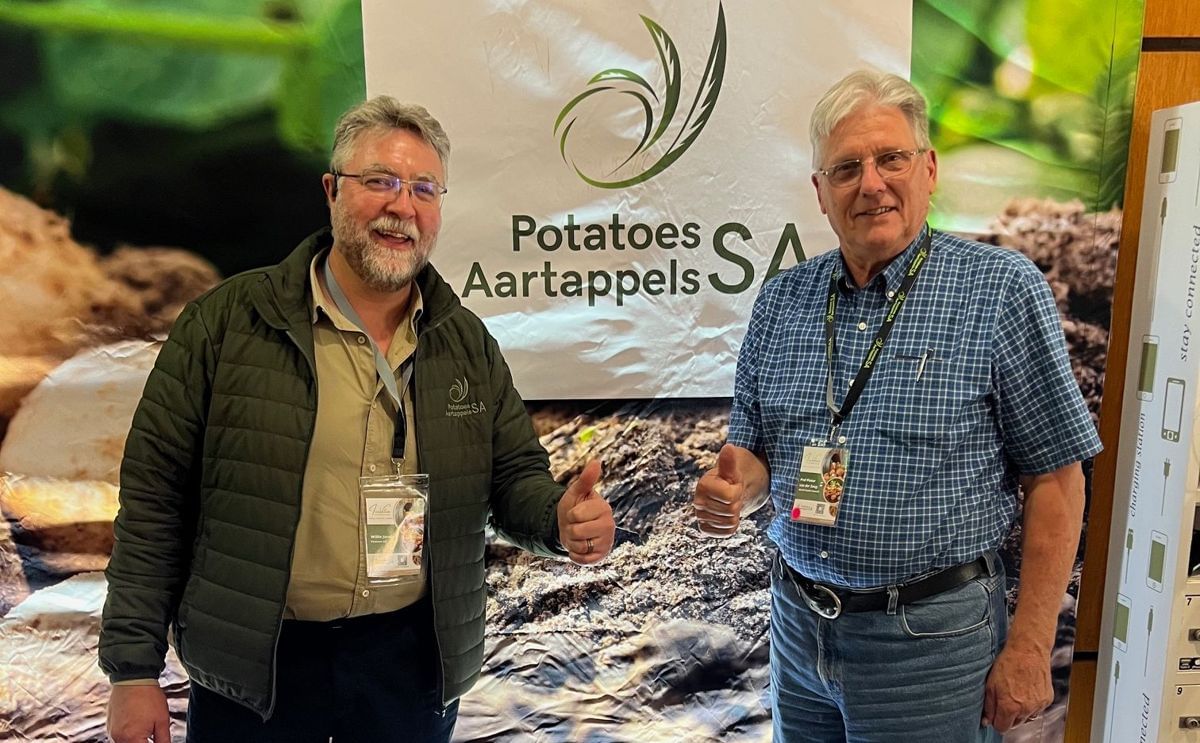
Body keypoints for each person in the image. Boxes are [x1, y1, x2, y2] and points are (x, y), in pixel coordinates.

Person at [99, 96, 616, 743]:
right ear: (332, 191)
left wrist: (559, 520)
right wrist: (132, 670)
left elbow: (512, 477)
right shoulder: (227, 324)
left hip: (406, 664)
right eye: (381, 182)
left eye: (424, 188)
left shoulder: (464, 342)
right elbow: (154, 500)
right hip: (258, 667)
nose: (403, 205)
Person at [692, 69, 1101, 741]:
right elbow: (761, 460)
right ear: (821, 194)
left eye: (891, 159)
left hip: (931, 646)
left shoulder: (999, 290)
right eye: (846, 168)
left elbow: (1057, 478)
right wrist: (736, 489)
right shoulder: (783, 301)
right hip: (798, 627)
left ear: (929, 169)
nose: (871, 183)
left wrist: (1030, 646)